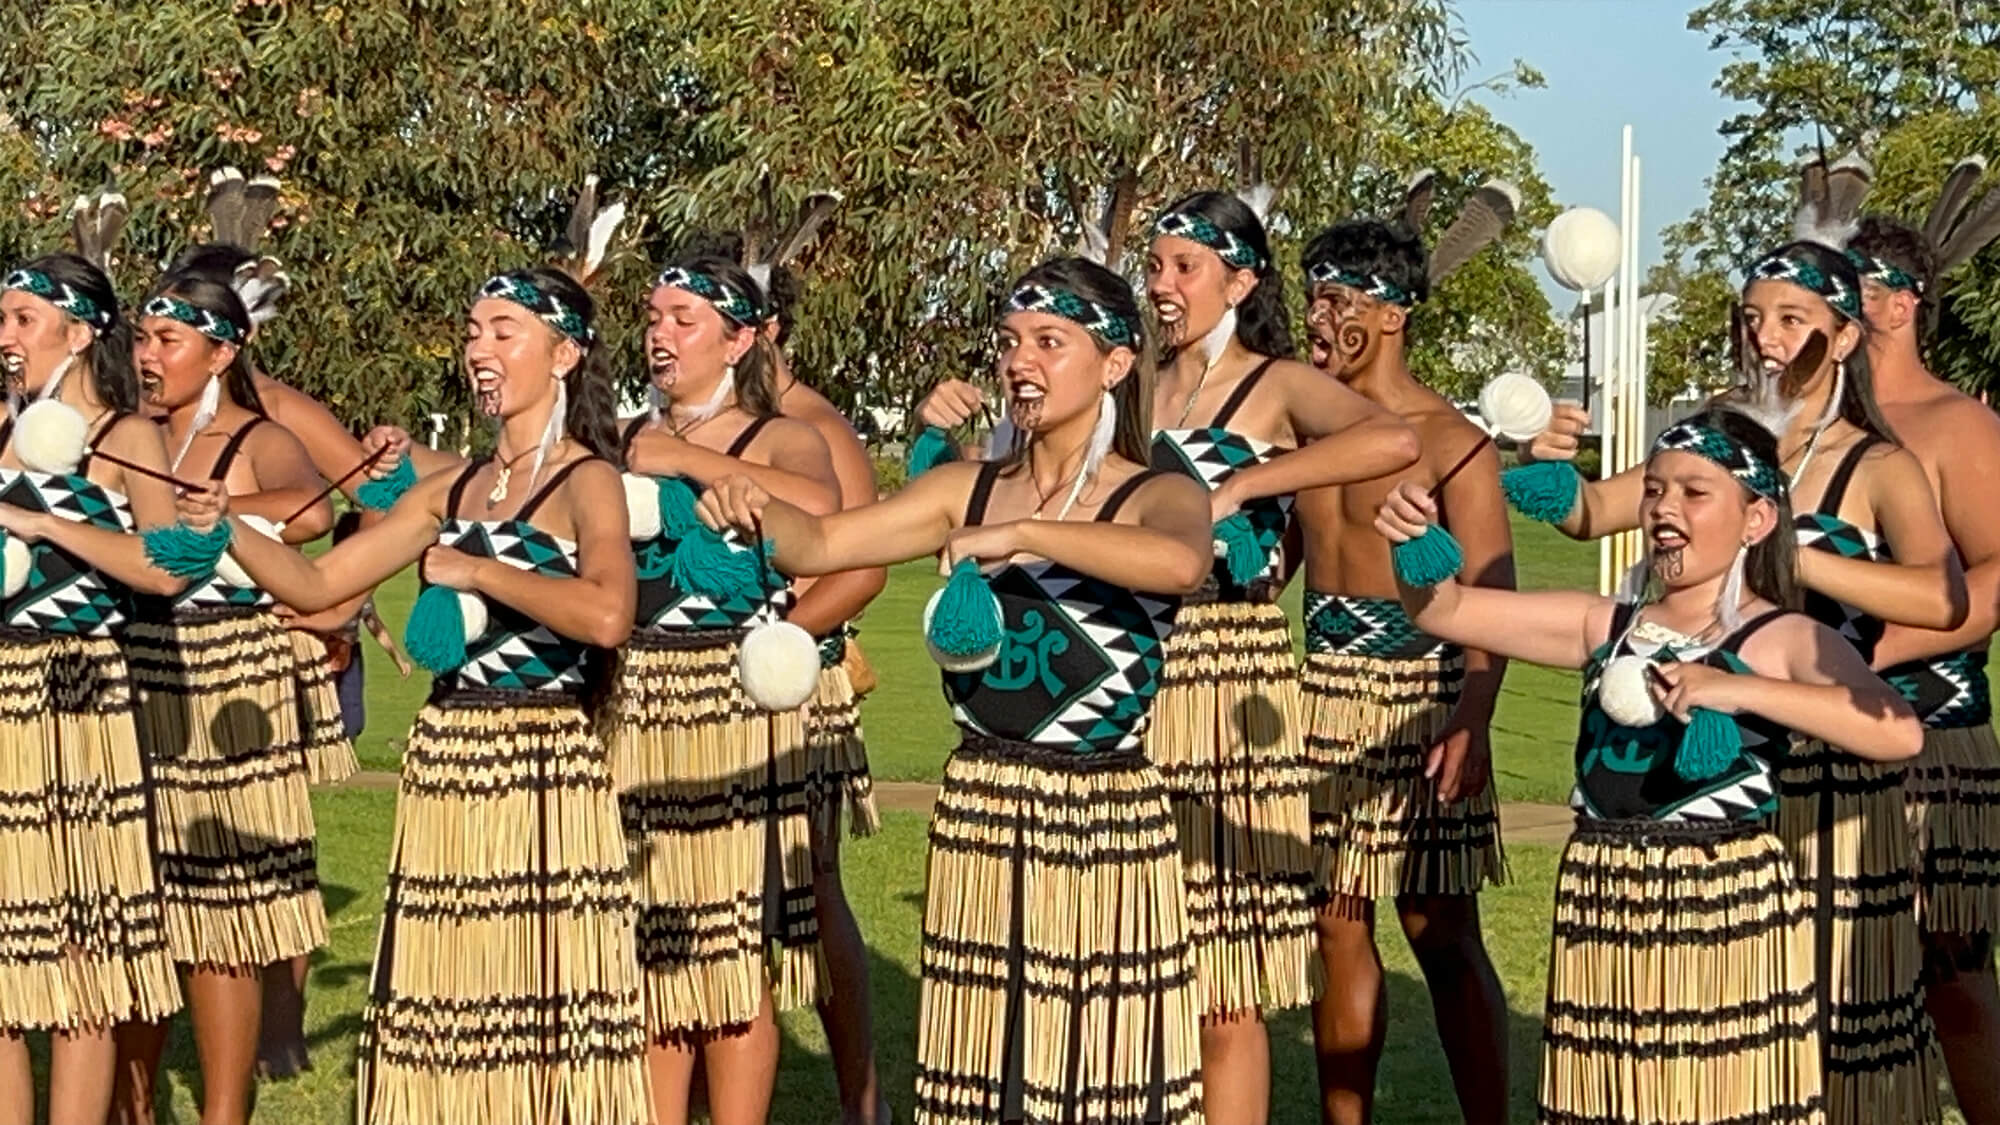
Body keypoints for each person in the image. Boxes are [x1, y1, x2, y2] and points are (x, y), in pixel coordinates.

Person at [917, 189, 1421, 1123]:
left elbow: (1391, 436)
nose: (1162, 284)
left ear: (1241, 279)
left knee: (1224, 958)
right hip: (1127, 666)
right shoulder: (1125, 385)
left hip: (1228, 669)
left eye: (1183, 266)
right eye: (1153, 266)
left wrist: (1247, 483)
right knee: (1133, 951)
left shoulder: (1270, 382)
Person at [699, 256, 1213, 1124]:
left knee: (1109, 1081)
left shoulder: (1158, 490)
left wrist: (1022, 531)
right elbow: (822, 543)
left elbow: (1179, 562)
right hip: (982, 805)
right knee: (989, 1082)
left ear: (1116, 365)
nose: (1021, 362)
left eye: (1051, 342)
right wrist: (754, 509)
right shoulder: (964, 487)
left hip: (1104, 818)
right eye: (1011, 342)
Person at [174, 265, 649, 1125]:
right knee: (446, 995)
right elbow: (319, 585)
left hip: (545, 768)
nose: (480, 349)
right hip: (447, 763)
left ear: (565, 354)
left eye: (504, 331)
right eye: (473, 331)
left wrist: (478, 569)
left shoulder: (588, 481)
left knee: (535, 995)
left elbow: (609, 613)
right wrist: (229, 527)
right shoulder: (453, 489)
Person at [1378, 406, 1923, 1125]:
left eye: (1695, 493)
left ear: (1756, 518)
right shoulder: (1604, 624)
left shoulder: (1780, 636)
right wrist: (1413, 542)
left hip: (1722, 911)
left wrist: (1734, 687)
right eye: (1656, 489)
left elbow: (1898, 732)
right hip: (1606, 903)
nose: (1666, 508)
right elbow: (1444, 610)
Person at [1523, 234, 1961, 1124]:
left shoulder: (1878, 465)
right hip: (1714, 774)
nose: (1766, 336)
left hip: (1829, 783)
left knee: (1846, 1024)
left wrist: (1789, 551)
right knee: (1725, 1043)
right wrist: (1547, 458)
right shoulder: (1713, 442)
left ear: (1843, 337)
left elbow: (1943, 597)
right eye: (1753, 316)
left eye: (1793, 319)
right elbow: (1587, 513)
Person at [1296, 204, 1513, 1124]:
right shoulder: (1302, 426)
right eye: (1310, 299)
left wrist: (1472, 714)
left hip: (1424, 699)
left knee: (1439, 925)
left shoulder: (1452, 437)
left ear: (1392, 315)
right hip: (1320, 695)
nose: (1316, 319)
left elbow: (1492, 594)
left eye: (1336, 300)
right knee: (1335, 920)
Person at [614, 253, 838, 1125]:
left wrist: (678, 456)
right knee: (655, 939)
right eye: (654, 317)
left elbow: (818, 510)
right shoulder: (624, 432)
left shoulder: (777, 433)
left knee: (735, 949)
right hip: (638, 709)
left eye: (684, 320)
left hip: (734, 710)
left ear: (739, 339)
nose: (660, 334)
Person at [111, 273, 337, 1125]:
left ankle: (222, 1112)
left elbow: (313, 512)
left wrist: (224, 510)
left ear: (222, 351)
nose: (146, 355)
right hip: (135, 668)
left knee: (222, 918)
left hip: (223, 678)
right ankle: (127, 1107)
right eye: (140, 337)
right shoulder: (124, 432)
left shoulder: (255, 434)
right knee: (134, 902)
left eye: (167, 340)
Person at [0, 249, 183, 1125]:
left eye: (21, 320)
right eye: (1, 318)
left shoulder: (126, 436)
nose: (5, 337)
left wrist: (40, 519)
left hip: (79, 696)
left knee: (81, 947)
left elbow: (167, 566)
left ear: (78, 333)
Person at [1847, 199, 2000, 1124]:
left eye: (1850, 289)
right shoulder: (1813, 423)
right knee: (1825, 983)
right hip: (1814, 736)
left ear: (1899, 305)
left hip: (1933, 740)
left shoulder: (1956, 426)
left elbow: (1994, 582)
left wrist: (1870, 648)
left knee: (1949, 975)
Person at [755, 220, 895, 1125]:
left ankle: (863, 1101)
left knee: (809, 888)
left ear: (762, 329)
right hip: (707, 690)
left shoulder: (814, 424)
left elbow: (865, 563)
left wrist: (781, 641)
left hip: (796, 681)